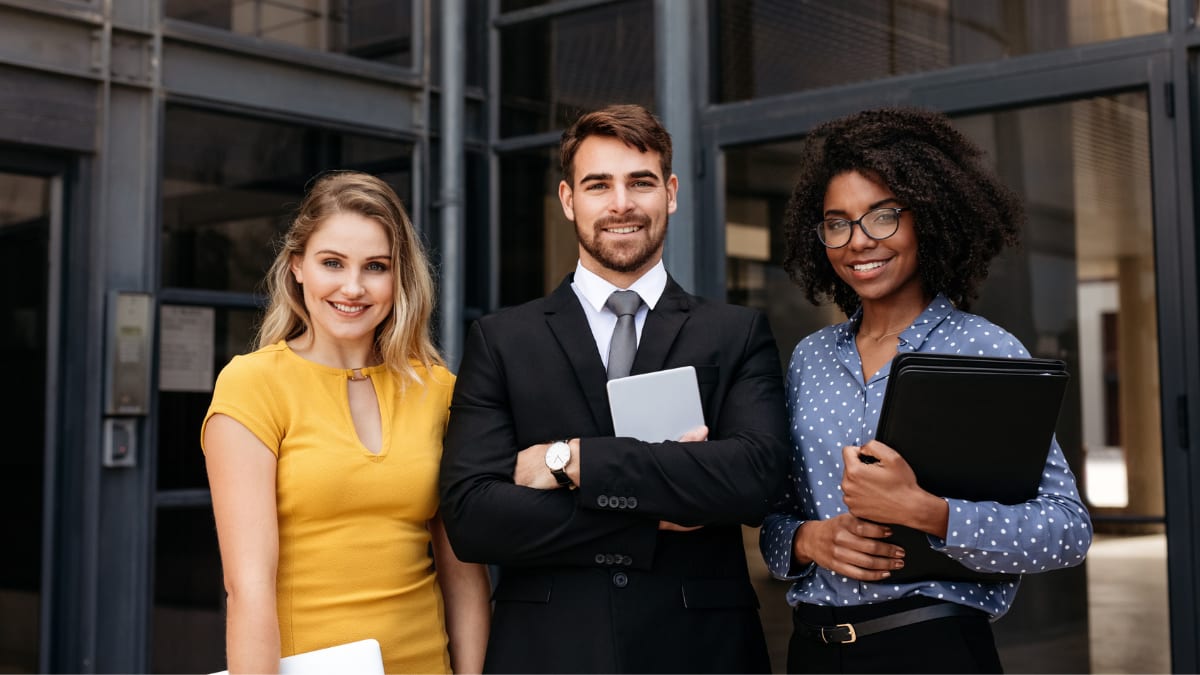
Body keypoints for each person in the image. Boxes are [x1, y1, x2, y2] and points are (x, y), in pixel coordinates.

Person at [438, 104, 790, 674]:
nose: (621, 203)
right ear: (568, 200)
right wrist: (653, 509)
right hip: (548, 652)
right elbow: (473, 518)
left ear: (671, 193)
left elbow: (755, 479)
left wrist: (571, 460)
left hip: (702, 651)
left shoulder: (735, 332)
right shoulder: (502, 339)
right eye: (598, 184)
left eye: (641, 183)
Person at [759, 107, 1093, 673]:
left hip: (933, 649)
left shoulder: (985, 350)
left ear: (928, 218)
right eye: (837, 222)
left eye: (882, 217)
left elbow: (1066, 529)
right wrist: (806, 542)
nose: (858, 241)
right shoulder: (810, 359)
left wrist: (930, 513)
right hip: (813, 653)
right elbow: (774, 517)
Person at [201, 171, 491, 674]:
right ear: (297, 267)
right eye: (332, 263)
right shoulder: (253, 384)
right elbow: (247, 589)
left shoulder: (439, 389)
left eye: (375, 266)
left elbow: (464, 575)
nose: (353, 287)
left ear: (399, 278)